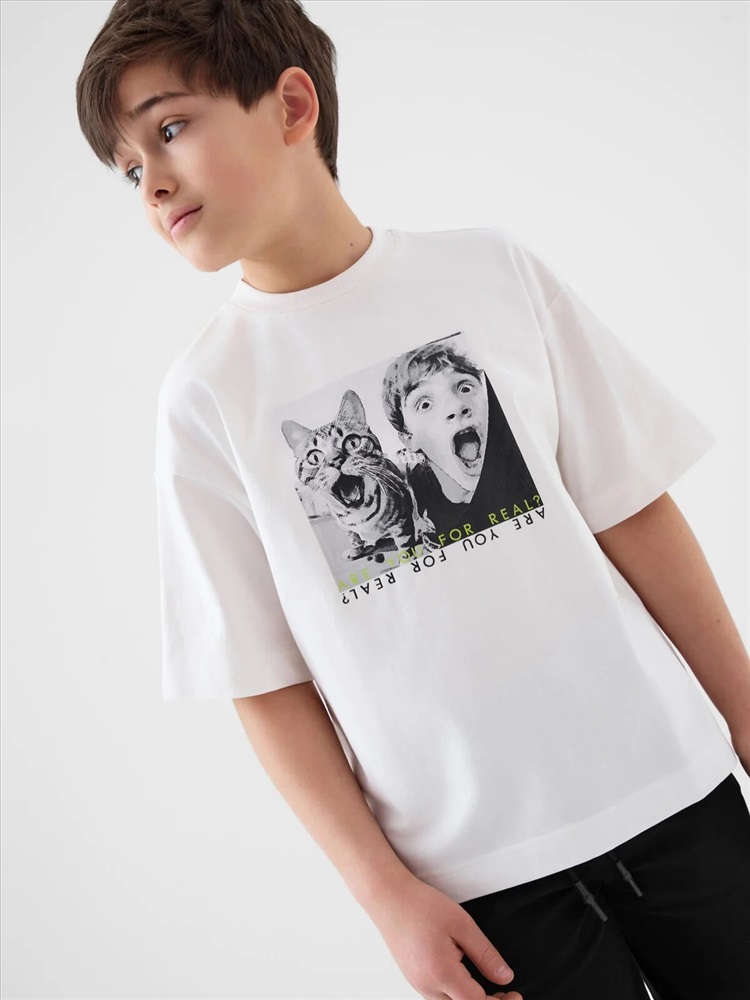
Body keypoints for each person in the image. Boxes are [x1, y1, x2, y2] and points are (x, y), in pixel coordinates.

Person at [75, 3, 750, 998]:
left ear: (292, 105)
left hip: (676, 788)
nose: (153, 182)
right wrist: (384, 895)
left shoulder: (490, 272)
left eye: (169, 128)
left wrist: (745, 714)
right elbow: (264, 683)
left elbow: (630, 508)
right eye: (128, 168)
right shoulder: (208, 398)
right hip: (475, 883)